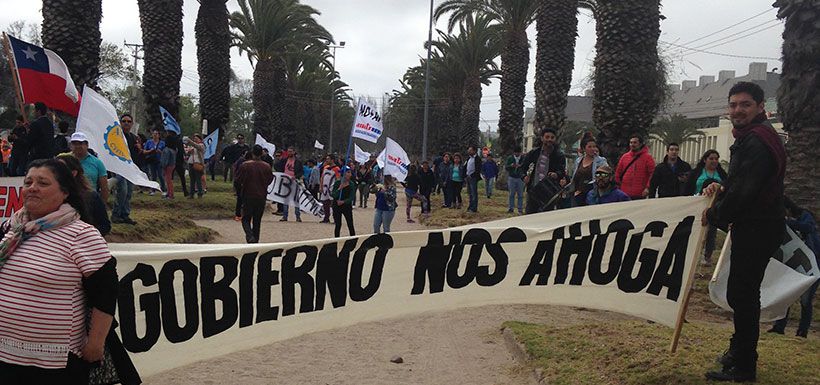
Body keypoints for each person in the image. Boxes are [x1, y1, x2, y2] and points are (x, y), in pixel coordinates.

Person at [0, 159, 119, 383]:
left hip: (55, 361)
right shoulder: (10, 228)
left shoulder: (82, 235)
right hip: (5, 355)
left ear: (65, 192)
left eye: (43, 183)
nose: (32, 188)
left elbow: (106, 293)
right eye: (28, 182)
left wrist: (95, 343)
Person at [703, 81, 787, 382]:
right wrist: (721, 188)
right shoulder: (754, 137)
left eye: (745, 104)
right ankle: (737, 353)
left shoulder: (757, 140)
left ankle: (744, 366)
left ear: (761, 107)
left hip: (758, 228)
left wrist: (714, 214)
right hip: (757, 226)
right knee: (742, 294)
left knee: (744, 295)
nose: (738, 109)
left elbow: (746, 193)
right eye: (734, 104)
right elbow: (742, 183)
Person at [767, 197, 818, 338]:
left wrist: (789, 222)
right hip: (790, 265)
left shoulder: (804, 216)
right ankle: (779, 326)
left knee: (806, 300)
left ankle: (802, 330)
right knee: (786, 294)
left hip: (810, 265)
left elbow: (808, 227)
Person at [686, 149, 728, 264]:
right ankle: (693, 255)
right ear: (705, 160)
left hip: (714, 206)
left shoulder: (722, 174)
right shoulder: (696, 173)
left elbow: (727, 187)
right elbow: (688, 188)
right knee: (696, 231)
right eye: (711, 158)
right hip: (697, 205)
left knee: (712, 231)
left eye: (716, 159)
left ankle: (707, 256)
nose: (714, 161)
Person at [56, 153, 111, 236]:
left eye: (60, 169)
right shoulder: (48, 196)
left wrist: (84, 236)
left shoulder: (90, 197)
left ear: (74, 173)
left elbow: (104, 226)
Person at [521, 128, 566, 214]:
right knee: (530, 216)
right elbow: (522, 168)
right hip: (533, 191)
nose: (549, 139)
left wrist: (556, 174)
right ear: (542, 138)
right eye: (547, 137)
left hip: (549, 192)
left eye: (552, 137)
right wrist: (524, 177)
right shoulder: (533, 153)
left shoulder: (559, 156)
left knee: (546, 218)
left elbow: (562, 171)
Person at [236, 145, 274, 243]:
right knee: (257, 220)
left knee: (246, 219)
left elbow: (238, 180)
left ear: (252, 153)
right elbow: (270, 180)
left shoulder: (245, 165)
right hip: (261, 195)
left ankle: (249, 236)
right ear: (262, 153)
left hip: (248, 194)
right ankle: (255, 240)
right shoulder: (267, 166)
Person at [112, 114, 139, 225]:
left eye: (128, 121)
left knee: (128, 193)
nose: (126, 123)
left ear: (132, 124)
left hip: (130, 169)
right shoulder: (116, 136)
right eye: (124, 121)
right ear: (120, 123)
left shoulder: (133, 138)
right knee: (122, 191)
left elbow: (134, 155)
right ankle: (116, 214)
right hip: (119, 168)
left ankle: (125, 214)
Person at [69, 132, 109, 204]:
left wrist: (103, 205)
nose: (78, 146)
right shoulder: (65, 161)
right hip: (70, 201)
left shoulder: (97, 163)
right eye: (75, 143)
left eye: (81, 143)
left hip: (90, 201)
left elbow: (104, 187)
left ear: (87, 145)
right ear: (71, 145)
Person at [614, 134, 655, 200]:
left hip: (640, 194)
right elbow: (618, 173)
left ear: (640, 144)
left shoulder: (648, 158)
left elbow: (652, 175)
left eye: (635, 142)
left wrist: (648, 188)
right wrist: (618, 187)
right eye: (631, 142)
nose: (632, 144)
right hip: (624, 193)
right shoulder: (624, 157)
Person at [571, 136, 608, 207]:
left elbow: (605, 173)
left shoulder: (600, 161)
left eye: (594, 146)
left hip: (592, 194)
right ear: (584, 148)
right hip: (578, 194)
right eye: (589, 147)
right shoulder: (578, 160)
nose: (592, 149)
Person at [278, 146, 303, 222]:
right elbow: (278, 167)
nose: (289, 153)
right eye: (288, 151)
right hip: (285, 181)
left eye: (291, 151)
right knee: (285, 199)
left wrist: (296, 176)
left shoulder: (298, 161)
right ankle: (285, 216)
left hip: (294, 181)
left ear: (294, 152)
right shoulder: (284, 160)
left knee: (296, 199)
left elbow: (301, 171)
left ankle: (298, 216)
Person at [331, 168, 357, 237]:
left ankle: (353, 239)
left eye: (350, 172)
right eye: (348, 172)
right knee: (338, 224)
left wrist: (343, 201)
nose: (349, 174)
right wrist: (339, 189)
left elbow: (351, 197)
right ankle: (336, 239)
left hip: (346, 206)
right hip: (336, 205)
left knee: (350, 223)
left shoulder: (351, 184)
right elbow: (333, 195)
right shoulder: (337, 183)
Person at [142, 129, 166, 195]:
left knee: (160, 175)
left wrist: (160, 151)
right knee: (153, 176)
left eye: (156, 134)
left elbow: (165, 152)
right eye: (154, 134)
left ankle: (163, 189)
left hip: (159, 161)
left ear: (158, 135)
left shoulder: (162, 143)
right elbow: (144, 151)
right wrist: (150, 151)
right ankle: (153, 190)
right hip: (151, 161)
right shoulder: (149, 142)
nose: (155, 135)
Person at [505, 146, 526, 214]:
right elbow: (506, 167)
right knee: (511, 194)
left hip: (520, 178)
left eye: (518, 153)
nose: (517, 154)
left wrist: (521, 166)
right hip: (512, 177)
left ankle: (520, 209)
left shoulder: (523, 158)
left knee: (520, 194)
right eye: (515, 153)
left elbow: (526, 166)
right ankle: (511, 208)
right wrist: (511, 166)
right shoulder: (510, 158)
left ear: (520, 153)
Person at [185, 134, 206, 198]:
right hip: (191, 163)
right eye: (194, 138)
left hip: (198, 163)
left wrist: (190, 141)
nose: (195, 140)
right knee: (192, 180)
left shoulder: (201, 145)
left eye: (196, 138)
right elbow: (187, 153)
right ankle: (191, 194)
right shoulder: (193, 146)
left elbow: (197, 146)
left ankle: (200, 193)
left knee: (198, 179)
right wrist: (189, 151)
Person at [464, 146, 482, 213]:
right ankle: (470, 206)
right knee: (470, 193)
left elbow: (478, 169)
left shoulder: (477, 159)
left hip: (473, 178)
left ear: (474, 151)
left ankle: (474, 208)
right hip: (468, 177)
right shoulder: (468, 158)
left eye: (470, 150)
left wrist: (472, 175)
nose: (469, 151)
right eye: (468, 150)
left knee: (474, 193)